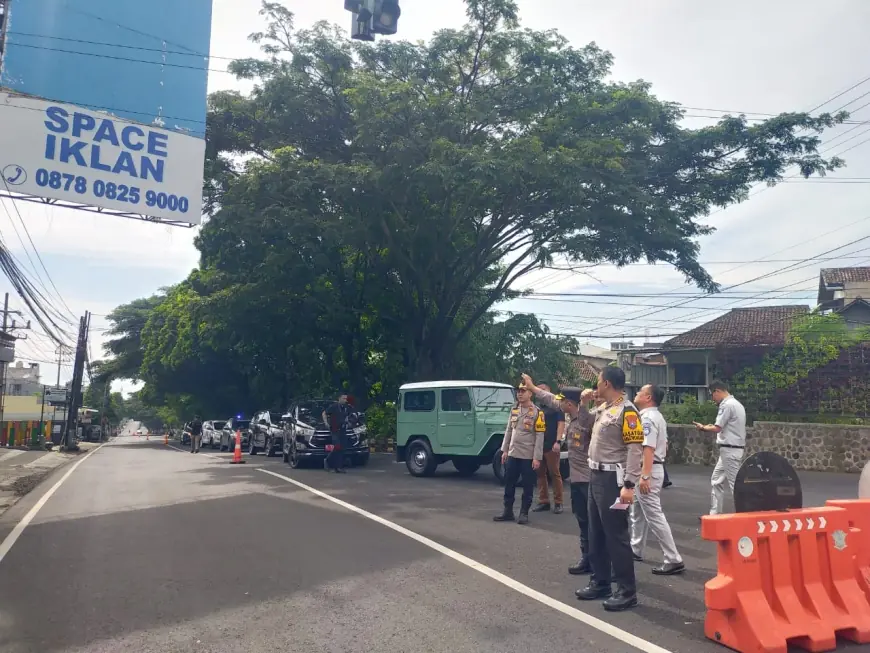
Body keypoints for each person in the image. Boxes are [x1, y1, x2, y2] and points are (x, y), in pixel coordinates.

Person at [569, 366, 643, 611]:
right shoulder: (605, 408)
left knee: (616, 535)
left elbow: (634, 449)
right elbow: (584, 422)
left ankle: (626, 591)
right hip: (595, 474)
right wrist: (583, 401)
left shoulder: (628, 411)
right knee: (596, 532)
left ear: (608, 383)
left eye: (599, 382)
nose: (596, 386)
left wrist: (630, 485)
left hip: (614, 478)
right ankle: (600, 582)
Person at [524, 379, 596, 575]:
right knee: (582, 521)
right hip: (576, 479)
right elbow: (549, 398)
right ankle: (587, 558)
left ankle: (602, 564)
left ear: (570, 404)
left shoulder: (589, 419)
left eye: (562, 401)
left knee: (595, 524)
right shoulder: (570, 415)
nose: (558, 403)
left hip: (590, 480)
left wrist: (593, 398)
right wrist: (532, 387)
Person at [630, 384, 684, 575]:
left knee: (654, 515)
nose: (636, 393)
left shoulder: (648, 419)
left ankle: (673, 558)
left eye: (640, 392)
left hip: (648, 471)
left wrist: (645, 475)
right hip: (650, 469)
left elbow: (648, 448)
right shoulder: (655, 416)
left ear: (648, 398)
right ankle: (635, 549)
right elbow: (665, 445)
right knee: (637, 512)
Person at [493, 382, 544, 525]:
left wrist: (537, 457)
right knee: (509, 483)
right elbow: (509, 430)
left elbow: (540, 436)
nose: (520, 393)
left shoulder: (537, 413)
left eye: (523, 390)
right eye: (518, 391)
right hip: (513, 453)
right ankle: (507, 511)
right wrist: (504, 450)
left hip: (528, 456)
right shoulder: (514, 410)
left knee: (527, 485)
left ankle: (524, 513)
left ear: (530, 394)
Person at [694, 380, 747, 515]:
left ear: (718, 391)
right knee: (716, 480)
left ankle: (744, 514)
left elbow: (717, 427)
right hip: (730, 449)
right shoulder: (737, 404)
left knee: (735, 484)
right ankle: (715, 514)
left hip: (730, 449)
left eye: (713, 394)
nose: (713, 398)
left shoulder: (727, 405)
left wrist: (703, 427)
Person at [532, 383, 565, 514]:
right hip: (539, 446)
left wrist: (558, 441)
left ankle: (558, 502)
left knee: (554, 474)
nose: (541, 393)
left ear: (549, 390)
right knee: (540, 474)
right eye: (538, 390)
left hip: (552, 445)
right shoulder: (537, 408)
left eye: (543, 390)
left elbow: (561, 424)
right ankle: (543, 501)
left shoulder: (557, 406)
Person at [323, 394, 352, 474]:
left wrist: (348, 422)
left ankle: (338, 467)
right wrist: (326, 423)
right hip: (335, 429)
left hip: (343, 430)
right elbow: (324, 413)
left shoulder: (346, 408)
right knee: (337, 446)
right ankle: (327, 460)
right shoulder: (334, 406)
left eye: (346, 398)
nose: (345, 400)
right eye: (343, 398)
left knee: (342, 448)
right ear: (339, 398)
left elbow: (346, 417)